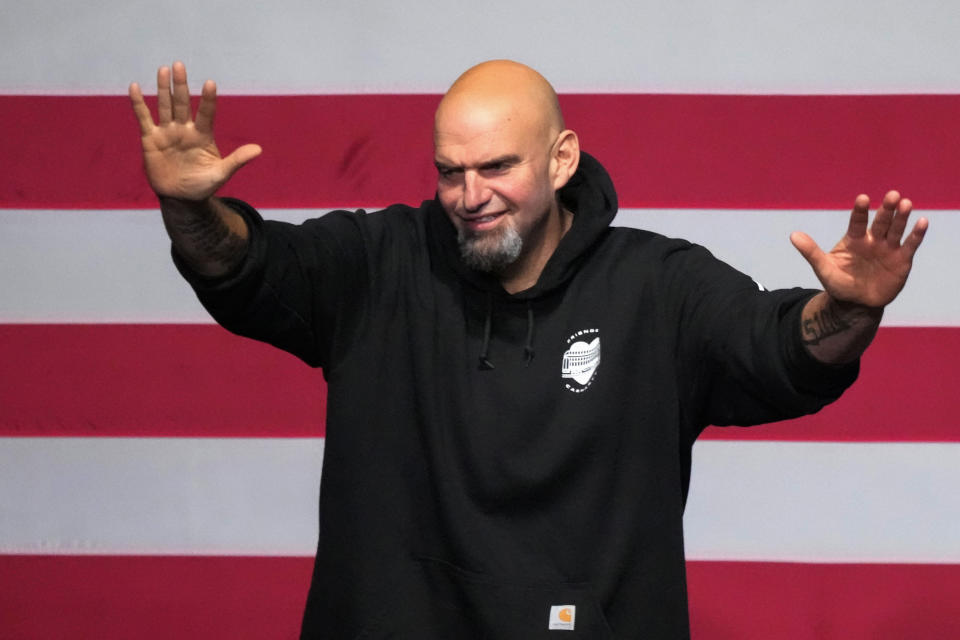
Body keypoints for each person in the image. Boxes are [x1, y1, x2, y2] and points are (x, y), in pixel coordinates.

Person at [129, 60, 927, 639]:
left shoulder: (658, 285)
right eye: (450, 172)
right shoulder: (379, 264)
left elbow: (782, 352)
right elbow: (242, 268)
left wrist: (848, 309)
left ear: (562, 158)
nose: (470, 197)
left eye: (497, 167)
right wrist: (189, 211)